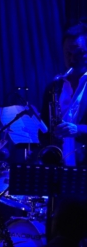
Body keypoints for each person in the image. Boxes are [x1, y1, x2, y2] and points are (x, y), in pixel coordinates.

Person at [39, 22, 87, 166]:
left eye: (78, 53)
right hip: (59, 167)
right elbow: (45, 131)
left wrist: (78, 130)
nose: (72, 60)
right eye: (68, 54)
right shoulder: (53, 86)